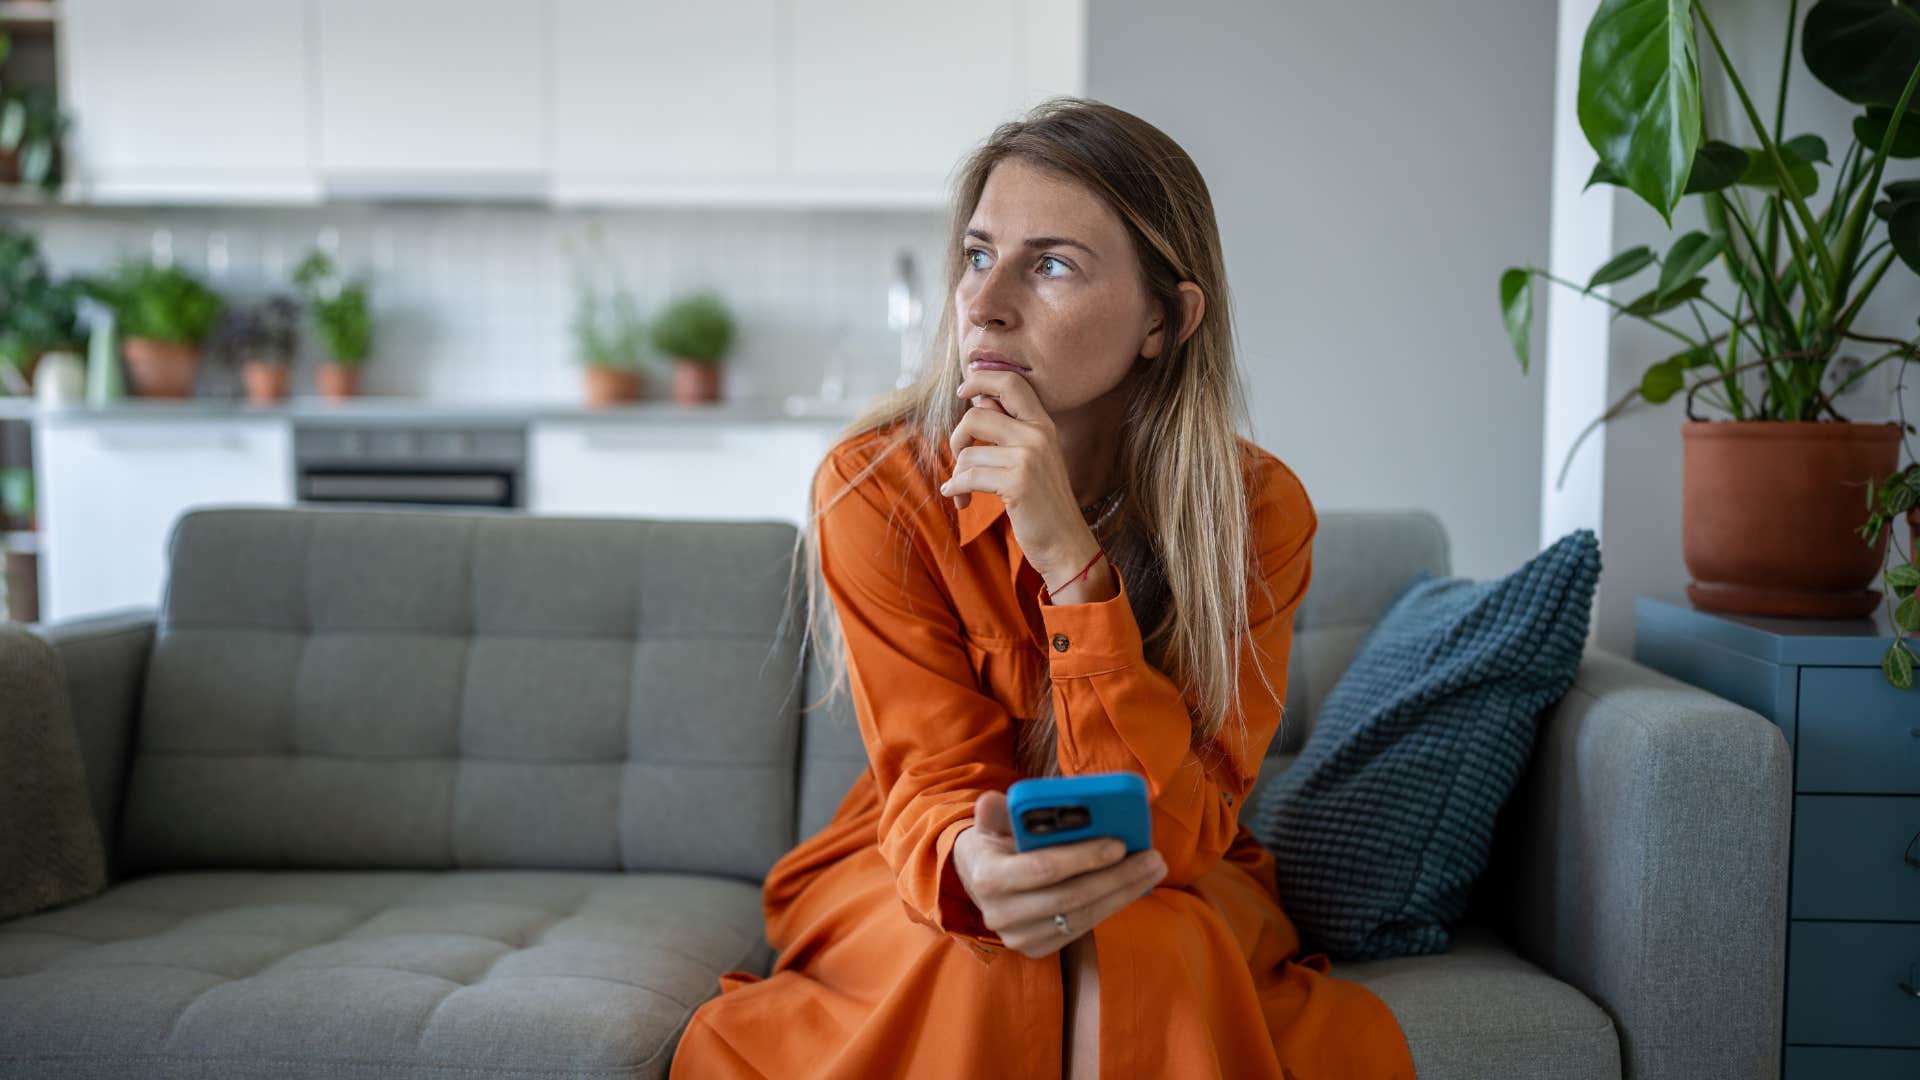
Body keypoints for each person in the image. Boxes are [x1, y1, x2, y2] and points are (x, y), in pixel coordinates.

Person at [669, 97, 1416, 1080]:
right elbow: (933, 782)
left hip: (1168, 867)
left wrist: (1071, 564)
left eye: (1052, 263)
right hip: (923, 859)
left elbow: (1188, 825)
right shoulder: (877, 486)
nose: (984, 302)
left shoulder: (1258, 511)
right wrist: (976, 873)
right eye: (978, 255)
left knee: (1144, 952)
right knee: (988, 958)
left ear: (1165, 318)